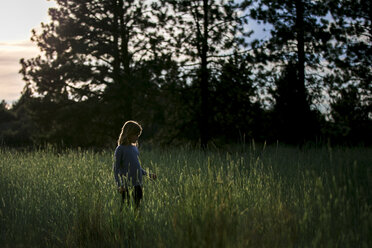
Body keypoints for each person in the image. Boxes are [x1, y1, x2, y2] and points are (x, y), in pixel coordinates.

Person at [113, 120, 156, 209]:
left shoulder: (134, 149)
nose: (137, 137)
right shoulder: (120, 149)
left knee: (138, 208)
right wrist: (119, 185)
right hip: (126, 185)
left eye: (138, 135)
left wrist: (148, 174)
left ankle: (137, 222)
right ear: (129, 134)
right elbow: (116, 169)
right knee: (125, 208)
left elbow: (137, 167)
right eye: (136, 135)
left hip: (138, 184)